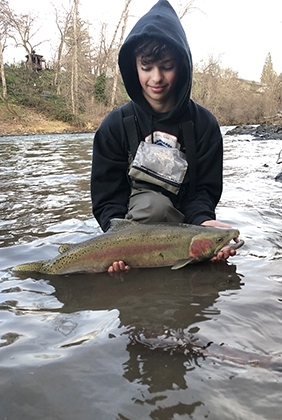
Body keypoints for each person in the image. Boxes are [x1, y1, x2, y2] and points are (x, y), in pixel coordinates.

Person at [91, 0, 239, 273]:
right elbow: (108, 199)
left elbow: (203, 193)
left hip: (185, 231)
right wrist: (114, 244)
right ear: (133, 67)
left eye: (167, 66)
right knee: (152, 205)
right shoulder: (114, 126)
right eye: (146, 68)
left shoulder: (205, 125)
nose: (156, 78)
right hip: (130, 236)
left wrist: (204, 225)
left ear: (181, 65)